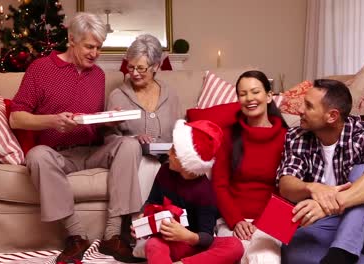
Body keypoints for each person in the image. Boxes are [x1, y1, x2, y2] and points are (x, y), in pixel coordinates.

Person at [9, 12, 142, 263]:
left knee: (129, 144)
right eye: (89, 46)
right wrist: (53, 121)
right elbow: (16, 118)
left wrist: (109, 119)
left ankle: (113, 236)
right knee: (36, 156)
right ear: (71, 39)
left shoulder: (98, 75)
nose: (95, 53)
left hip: (92, 150)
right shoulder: (40, 69)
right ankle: (76, 236)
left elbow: (94, 122)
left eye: (99, 48)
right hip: (58, 154)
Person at [276, 79, 364, 264]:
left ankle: (342, 252)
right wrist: (311, 188)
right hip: (327, 226)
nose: (300, 110)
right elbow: (285, 184)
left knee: (363, 171)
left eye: (308, 106)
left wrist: (332, 203)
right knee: (292, 251)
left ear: (332, 116)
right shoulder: (296, 136)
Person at [135, 119, 244, 264]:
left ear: (187, 161)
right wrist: (142, 222)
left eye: (174, 150)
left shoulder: (204, 191)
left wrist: (187, 236)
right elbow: (152, 202)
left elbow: (207, 237)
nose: (168, 153)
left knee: (235, 246)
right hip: (172, 244)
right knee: (153, 244)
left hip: (196, 245)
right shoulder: (164, 172)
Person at [212, 70, 288, 263]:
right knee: (234, 255)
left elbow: (287, 189)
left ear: (269, 96)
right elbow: (219, 185)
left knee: (265, 259)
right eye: (243, 94)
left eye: (255, 92)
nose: (249, 98)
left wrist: (261, 224)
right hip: (233, 219)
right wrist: (236, 219)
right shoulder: (228, 135)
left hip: (273, 220)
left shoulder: (288, 137)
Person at [107, 33, 182, 145]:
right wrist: (133, 139)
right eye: (131, 67)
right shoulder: (117, 96)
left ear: (156, 66)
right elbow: (108, 138)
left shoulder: (170, 95)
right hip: (133, 160)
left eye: (141, 68)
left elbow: (180, 133)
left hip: (168, 160)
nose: (135, 73)